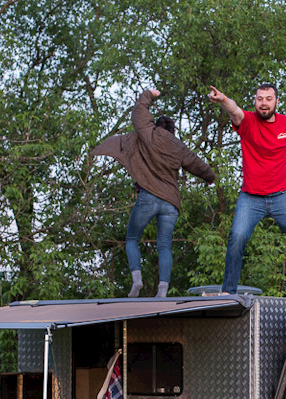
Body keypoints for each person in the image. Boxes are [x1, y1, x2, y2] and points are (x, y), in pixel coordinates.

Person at [92, 89, 215, 297]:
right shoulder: (178, 146)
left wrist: (149, 95)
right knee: (164, 246)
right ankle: (162, 291)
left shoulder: (148, 133)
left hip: (148, 196)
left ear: (156, 125)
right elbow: (196, 163)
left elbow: (139, 112)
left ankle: (137, 281)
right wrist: (210, 177)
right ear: (172, 130)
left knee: (132, 238)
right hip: (170, 202)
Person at [208, 83, 286, 300]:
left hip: (281, 196)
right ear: (255, 102)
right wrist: (223, 100)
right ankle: (229, 290)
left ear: (276, 101)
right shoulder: (247, 122)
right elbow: (234, 110)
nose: (263, 103)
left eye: (268, 99)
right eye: (259, 99)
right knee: (237, 237)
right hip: (251, 197)